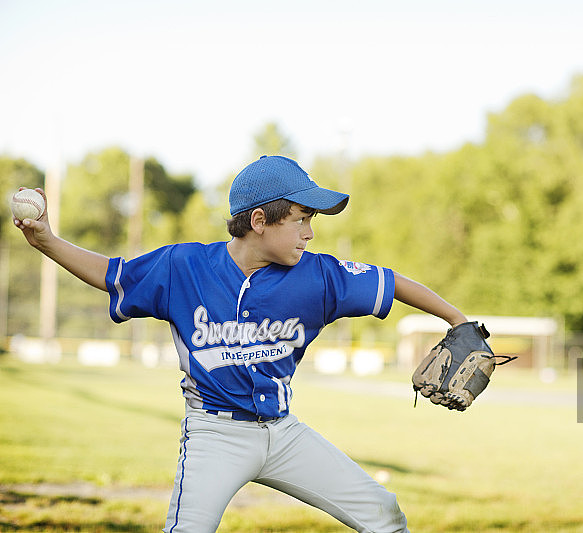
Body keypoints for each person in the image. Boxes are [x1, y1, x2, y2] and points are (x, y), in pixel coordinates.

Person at [13, 155, 468, 533]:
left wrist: (458, 321)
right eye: (301, 219)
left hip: (283, 433)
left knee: (383, 514)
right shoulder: (183, 267)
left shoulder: (317, 276)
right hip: (215, 435)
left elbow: (391, 282)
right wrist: (46, 241)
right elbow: (112, 274)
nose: (309, 233)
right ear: (259, 221)